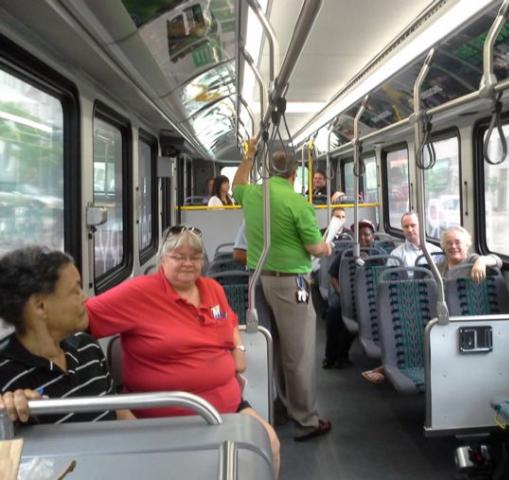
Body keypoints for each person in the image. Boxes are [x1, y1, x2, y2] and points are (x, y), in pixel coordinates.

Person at [85, 225, 279, 475]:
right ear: (162, 259)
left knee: (270, 442)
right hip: (165, 417)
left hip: (227, 406)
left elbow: (228, 319)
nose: (188, 263)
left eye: (195, 257)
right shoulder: (139, 293)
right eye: (178, 257)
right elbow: (85, 317)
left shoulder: (212, 289)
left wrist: (238, 349)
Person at [233, 140, 333, 441]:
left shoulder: (252, 194)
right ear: (294, 173)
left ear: (268, 169)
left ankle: (283, 405)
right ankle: (306, 420)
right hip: (294, 282)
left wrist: (248, 156)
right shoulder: (297, 202)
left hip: (258, 279)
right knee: (299, 352)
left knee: (275, 347)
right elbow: (314, 247)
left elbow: (237, 183)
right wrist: (327, 246)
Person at [0, 246, 135, 424]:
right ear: (40, 306)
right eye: (75, 290)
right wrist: (8, 412)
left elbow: (119, 412)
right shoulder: (6, 378)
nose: (84, 297)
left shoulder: (87, 346)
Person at [362, 212, 441, 385]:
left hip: (436, 302)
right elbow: (392, 286)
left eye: (413, 225)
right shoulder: (397, 255)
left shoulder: (437, 252)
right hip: (409, 302)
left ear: (421, 226)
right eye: (406, 226)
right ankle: (392, 367)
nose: (410, 229)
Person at [323, 219, 376, 369]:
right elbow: (333, 277)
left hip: (371, 297)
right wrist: (342, 293)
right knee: (335, 311)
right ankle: (331, 356)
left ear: (373, 237)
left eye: (367, 235)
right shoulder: (346, 254)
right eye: (360, 235)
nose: (364, 238)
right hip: (346, 294)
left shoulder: (380, 255)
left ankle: (344, 354)